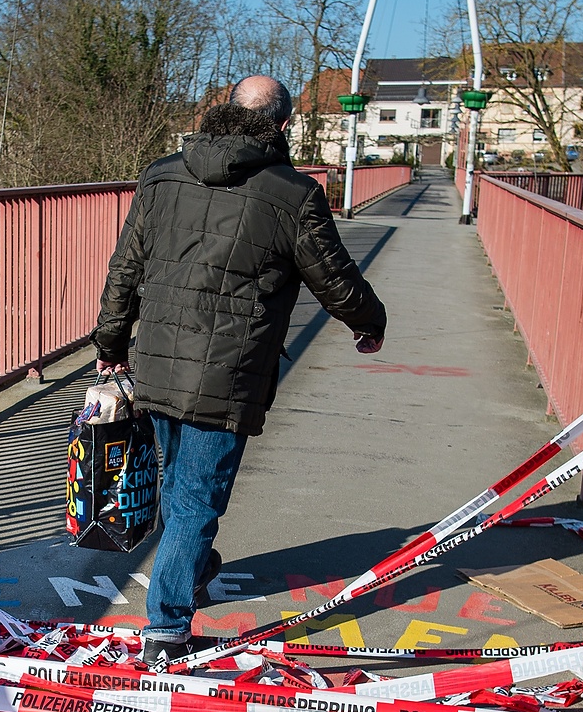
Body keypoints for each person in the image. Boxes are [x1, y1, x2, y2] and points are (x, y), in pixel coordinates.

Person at [94, 74, 387, 668]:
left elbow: (126, 266)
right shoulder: (292, 193)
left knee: (180, 488)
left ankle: (195, 570)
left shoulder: (161, 174)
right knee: (196, 498)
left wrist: (110, 341)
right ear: (282, 126)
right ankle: (167, 626)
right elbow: (332, 277)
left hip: (155, 361)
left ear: (224, 112)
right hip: (229, 371)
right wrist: (369, 320)